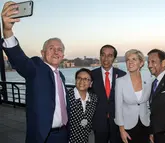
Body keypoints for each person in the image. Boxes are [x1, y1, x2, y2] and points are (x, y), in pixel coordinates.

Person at [1, 2, 69, 143]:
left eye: (60, 49)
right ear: (43, 53)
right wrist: (7, 31)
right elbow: (19, 60)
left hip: (63, 134)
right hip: (43, 137)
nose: (56, 52)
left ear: (63, 55)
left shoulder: (60, 76)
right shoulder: (36, 68)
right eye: (51, 48)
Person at [115, 49, 151, 143]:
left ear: (141, 63)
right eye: (128, 60)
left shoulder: (148, 77)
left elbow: (149, 103)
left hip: (145, 124)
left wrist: (152, 129)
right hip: (128, 127)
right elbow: (118, 108)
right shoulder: (120, 82)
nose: (130, 62)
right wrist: (121, 130)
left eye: (134, 59)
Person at [92, 44, 126, 143]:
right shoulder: (91, 75)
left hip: (117, 122)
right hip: (99, 122)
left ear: (114, 58)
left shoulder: (122, 75)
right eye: (103, 55)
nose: (106, 58)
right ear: (100, 56)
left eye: (110, 55)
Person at [68, 68, 97, 143]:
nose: (82, 81)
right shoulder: (66, 97)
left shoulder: (94, 98)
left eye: (86, 79)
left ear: (91, 83)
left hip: (86, 139)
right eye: (79, 78)